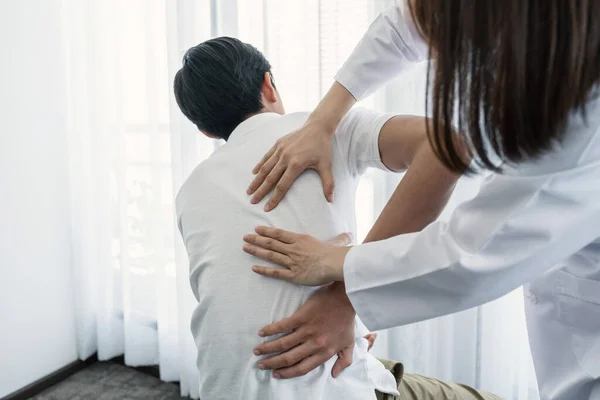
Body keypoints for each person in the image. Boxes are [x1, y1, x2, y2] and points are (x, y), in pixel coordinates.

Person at [241, 1, 600, 400]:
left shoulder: (584, 125)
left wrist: (337, 269)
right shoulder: (544, 29)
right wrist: (322, 121)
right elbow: (404, 28)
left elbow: (471, 252)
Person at [173, 37, 498, 399]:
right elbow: (447, 146)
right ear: (268, 84)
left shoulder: (190, 192)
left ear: (205, 129)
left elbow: (241, 300)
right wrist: (349, 296)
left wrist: (348, 310)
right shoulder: (322, 132)